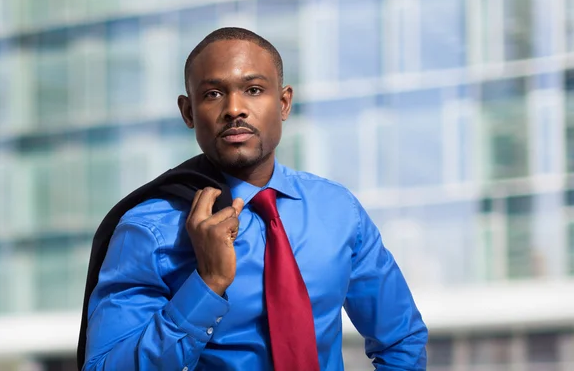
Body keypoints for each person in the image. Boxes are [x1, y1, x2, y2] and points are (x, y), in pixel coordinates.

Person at [82, 27, 428, 370]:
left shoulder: (337, 210)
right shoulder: (149, 230)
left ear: (283, 103)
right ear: (188, 112)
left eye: (254, 89)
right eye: (214, 94)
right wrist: (207, 284)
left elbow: (401, 340)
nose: (235, 108)